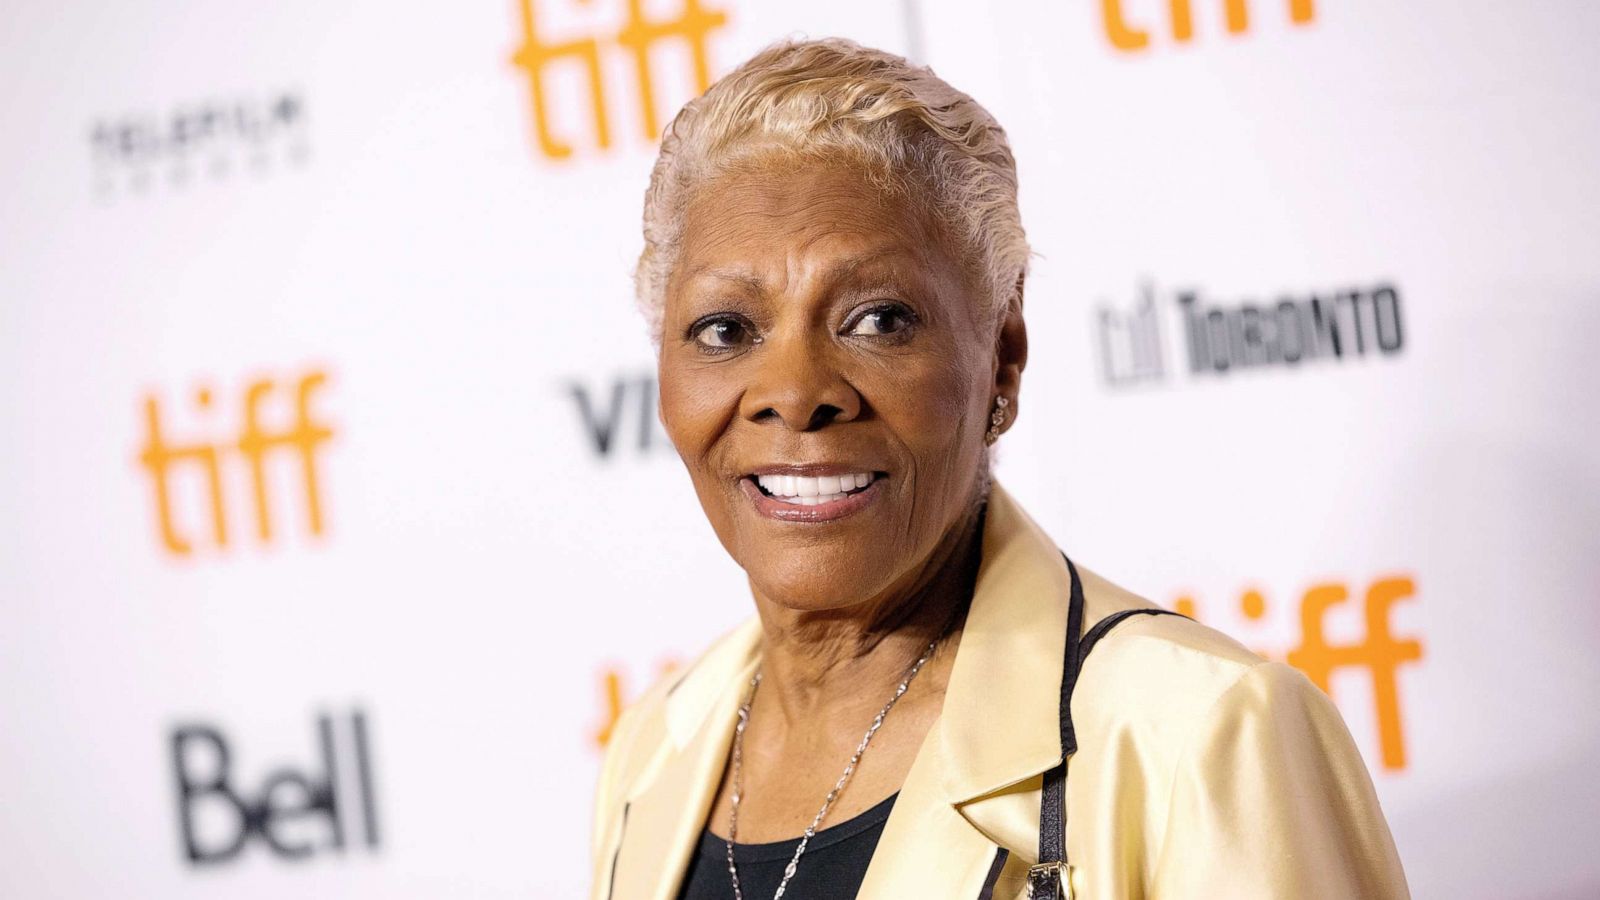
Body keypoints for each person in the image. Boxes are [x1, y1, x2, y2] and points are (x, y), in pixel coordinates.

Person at [590, 37, 1408, 899]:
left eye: (877, 319)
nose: (794, 395)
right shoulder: (654, 751)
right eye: (724, 329)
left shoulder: (1198, 734)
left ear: (1003, 362)